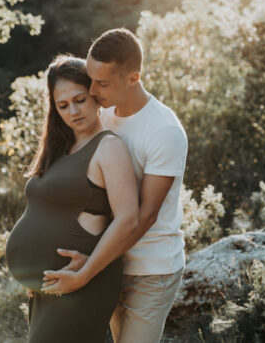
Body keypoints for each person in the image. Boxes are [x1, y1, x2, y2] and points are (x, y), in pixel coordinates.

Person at [43, 28, 188, 343]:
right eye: (91, 79)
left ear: (134, 78)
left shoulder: (163, 131)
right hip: (110, 263)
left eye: (102, 83)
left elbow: (144, 215)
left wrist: (89, 269)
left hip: (152, 269)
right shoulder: (102, 114)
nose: (93, 91)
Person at [5, 54, 139, 343]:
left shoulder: (109, 147)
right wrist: (32, 273)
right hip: (51, 285)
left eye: (79, 99)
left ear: (95, 95)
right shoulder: (60, 148)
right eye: (62, 105)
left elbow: (128, 219)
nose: (73, 111)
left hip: (83, 282)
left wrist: (85, 274)